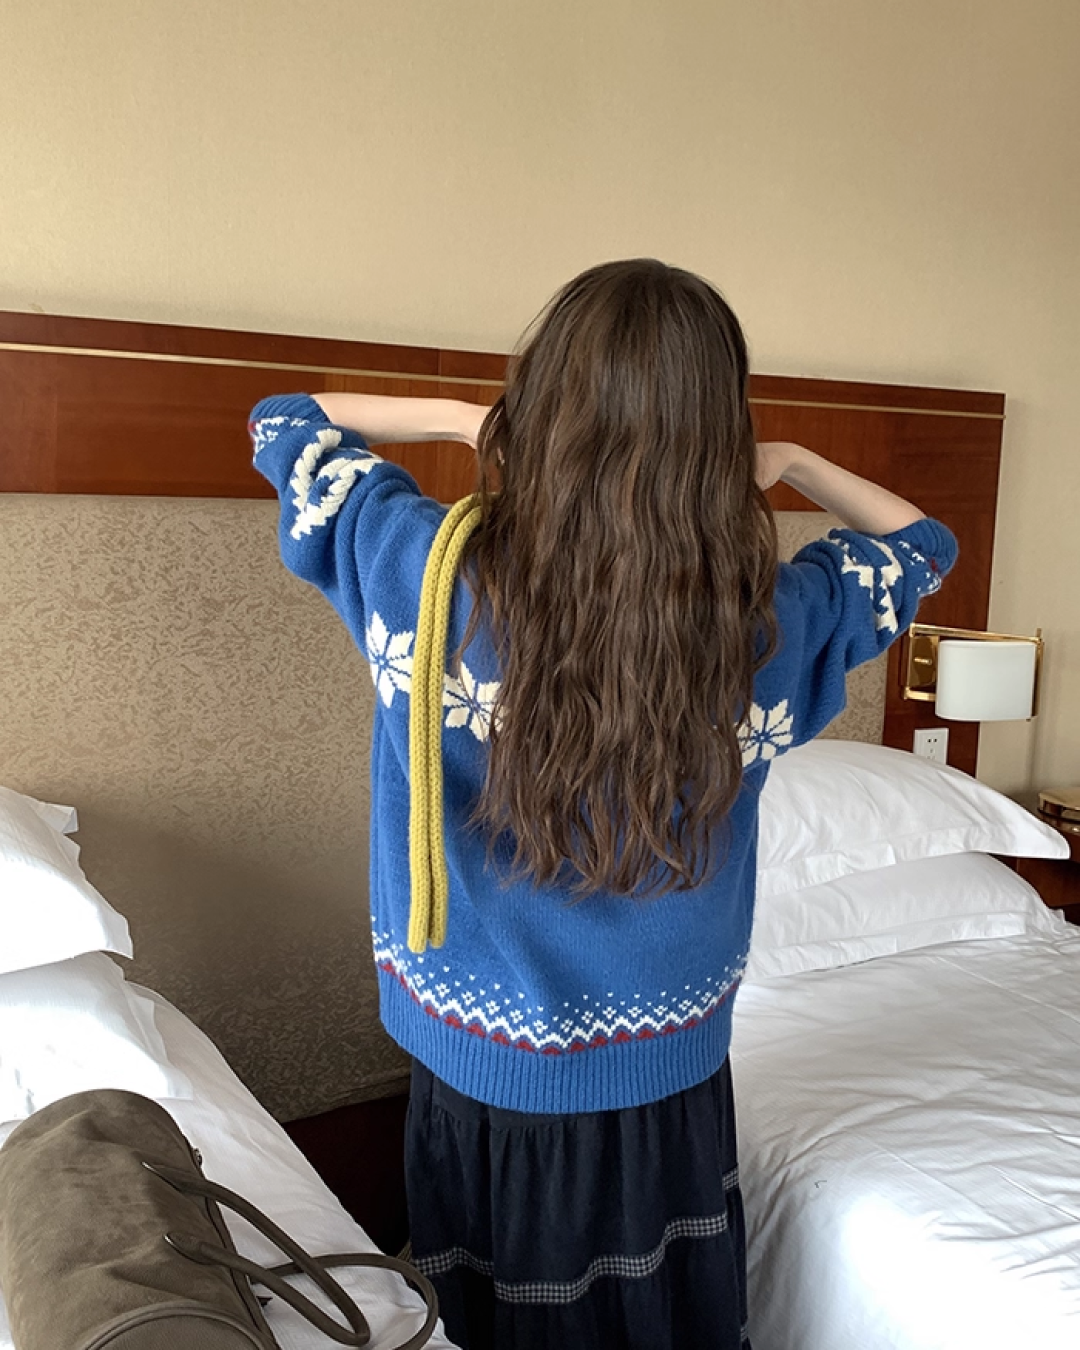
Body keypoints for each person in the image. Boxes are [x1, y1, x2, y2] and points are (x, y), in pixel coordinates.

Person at [248, 258, 956, 1350]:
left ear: (542, 407)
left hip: (474, 1048)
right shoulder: (770, 621)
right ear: (718, 438)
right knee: (662, 1305)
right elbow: (924, 544)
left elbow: (284, 419)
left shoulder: (422, 567)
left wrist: (471, 419)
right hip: (671, 1056)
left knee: (487, 1308)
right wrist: (795, 461)